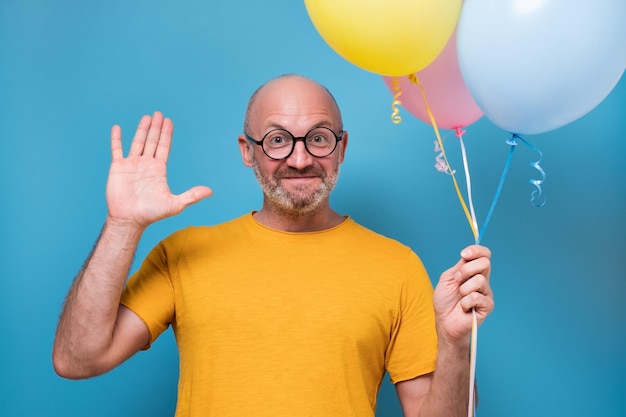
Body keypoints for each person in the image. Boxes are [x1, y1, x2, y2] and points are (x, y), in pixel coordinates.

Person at [53, 74, 494, 417]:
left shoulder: (397, 266)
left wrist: (455, 343)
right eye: (278, 140)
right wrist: (123, 224)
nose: (299, 159)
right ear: (248, 151)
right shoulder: (184, 254)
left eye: (318, 138)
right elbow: (77, 359)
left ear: (341, 148)